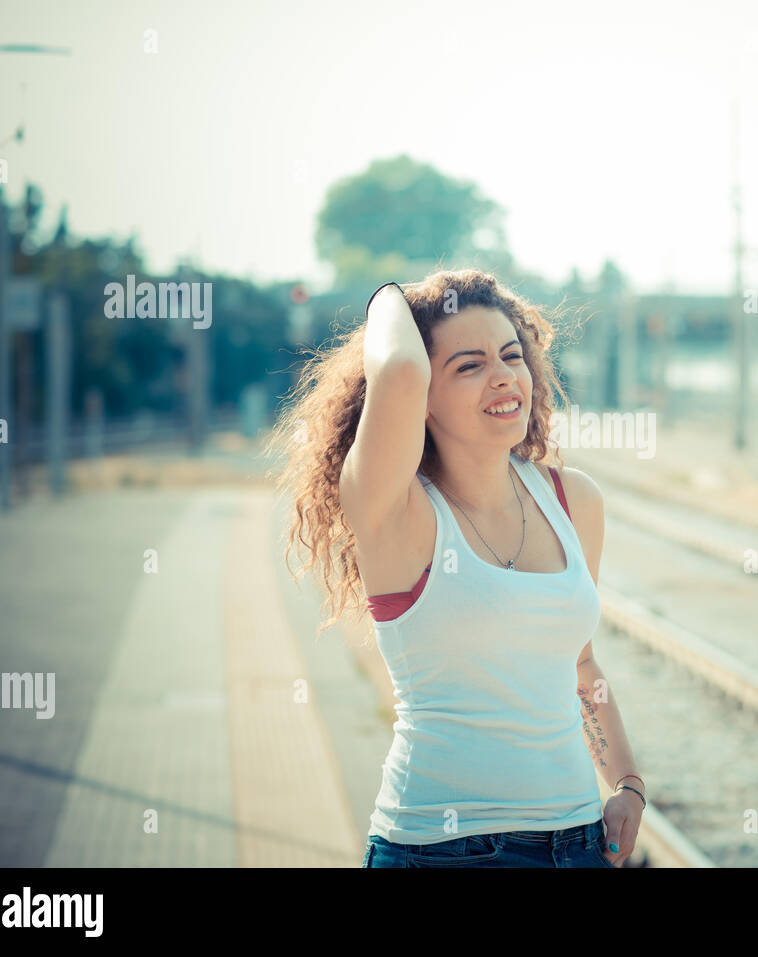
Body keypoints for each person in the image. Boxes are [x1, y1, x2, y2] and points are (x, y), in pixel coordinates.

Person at [271, 269, 646, 867]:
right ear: (421, 399)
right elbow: (396, 370)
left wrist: (627, 781)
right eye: (468, 366)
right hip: (440, 850)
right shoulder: (396, 512)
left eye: (511, 355)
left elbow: (580, 661)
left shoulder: (574, 501)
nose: (503, 376)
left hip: (576, 842)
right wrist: (392, 297)